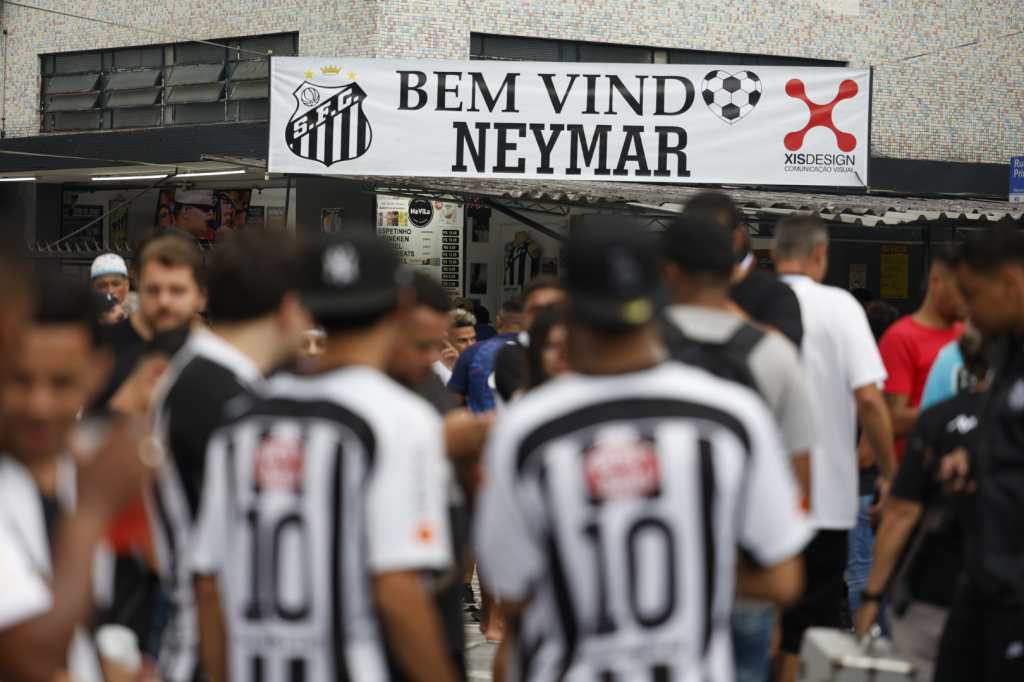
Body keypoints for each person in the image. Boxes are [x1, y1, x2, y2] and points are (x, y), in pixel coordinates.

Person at [475, 223, 810, 681]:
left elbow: (512, 593)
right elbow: (783, 578)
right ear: (662, 290)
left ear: (570, 304)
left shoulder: (528, 429)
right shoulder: (731, 417)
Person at [192, 232, 458, 682]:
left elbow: (211, 585)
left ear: (302, 306)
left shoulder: (242, 419)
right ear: (401, 305)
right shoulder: (400, 419)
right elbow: (397, 590)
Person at [661, 213, 816, 682]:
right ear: (737, 266)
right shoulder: (773, 353)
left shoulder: (637, 345)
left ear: (669, 270)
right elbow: (798, 479)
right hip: (746, 576)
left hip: (651, 578)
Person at [148, 234, 310, 682]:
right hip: (208, 651)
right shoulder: (216, 394)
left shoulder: (218, 381)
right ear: (289, 307)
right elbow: (216, 566)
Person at [0, 275, 152, 682]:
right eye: (19, 381)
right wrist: (90, 515)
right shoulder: (94, 493)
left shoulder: (81, 469)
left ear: (96, 372)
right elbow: (30, 658)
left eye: (61, 384)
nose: (39, 407)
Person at [773, 214, 896, 682]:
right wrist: (888, 471)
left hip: (759, 497)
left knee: (760, 618)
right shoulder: (838, 306)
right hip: (825, 500)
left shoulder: (752, 301)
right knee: (808, 629)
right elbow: (868, 397)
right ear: (820, 254)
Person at [854, 328, 989, 681]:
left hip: (933, 589)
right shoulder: (1010, 423)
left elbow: (902, 511)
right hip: (1003, 593)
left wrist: (871, 597)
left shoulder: (939, 418)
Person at [929, 227, 1024, 681]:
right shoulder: (1006, 352)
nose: (968, 312)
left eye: (973, 294)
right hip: (981, 574)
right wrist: (973, 461)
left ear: (1011, 282)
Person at [92, 231, 207, 410]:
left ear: (201, 296)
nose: (164, 301)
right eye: (153, 290)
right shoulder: (101, 351)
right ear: (137, 287)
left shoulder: (214, 356)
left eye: (177, 290)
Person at [686, 191, 804, 347]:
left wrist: (718, 305)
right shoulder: (667, 289)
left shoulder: (774, 295)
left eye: (714, 233)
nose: (703, 244)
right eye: (691, 235)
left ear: (737, 237)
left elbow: (785, 349)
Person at [492, 276, 567, 402]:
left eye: (552, 308)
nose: (544, 317)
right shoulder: (511, 354)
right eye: (536, 310)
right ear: (523, 314)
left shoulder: (582, 350)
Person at [448, 299, 523, 411]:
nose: (469, 343)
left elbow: (451, 405)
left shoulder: (473, 353)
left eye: (473, 339)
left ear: (498, 321)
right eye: (462, 340)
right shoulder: (541, 353)